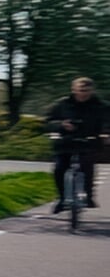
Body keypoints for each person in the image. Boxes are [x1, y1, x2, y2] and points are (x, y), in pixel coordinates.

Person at [45, 76, 106, 210]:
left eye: (86, 90)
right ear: (73, 90)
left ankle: (89, 196)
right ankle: (61, 199)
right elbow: (48, 121)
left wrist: (105, 133)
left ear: (92, 90)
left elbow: (107, 122)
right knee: (59, 168)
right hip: (66, 141)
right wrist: (61, 125)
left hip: (88, 141)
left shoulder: (100, 106)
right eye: (80, 90)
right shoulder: (62, 104)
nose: (83, 93)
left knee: (87, 167)